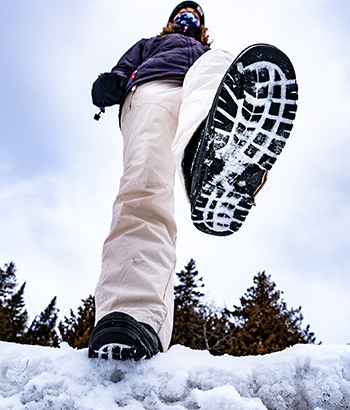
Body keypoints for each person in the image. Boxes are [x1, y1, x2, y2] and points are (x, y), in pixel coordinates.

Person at [88, 1, 298, 360]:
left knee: (221, 62)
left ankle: (215, 154)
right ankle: (133, 315)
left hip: (201, 93)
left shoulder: (206, 51)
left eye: (195, 15)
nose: (188, 17)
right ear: (171, 22)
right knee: (144, 189)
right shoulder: (150, 44)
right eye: (182, 13)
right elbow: (124, 68)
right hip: (153, 91)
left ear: (201, 26)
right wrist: (113, 82)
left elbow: (214, 66)